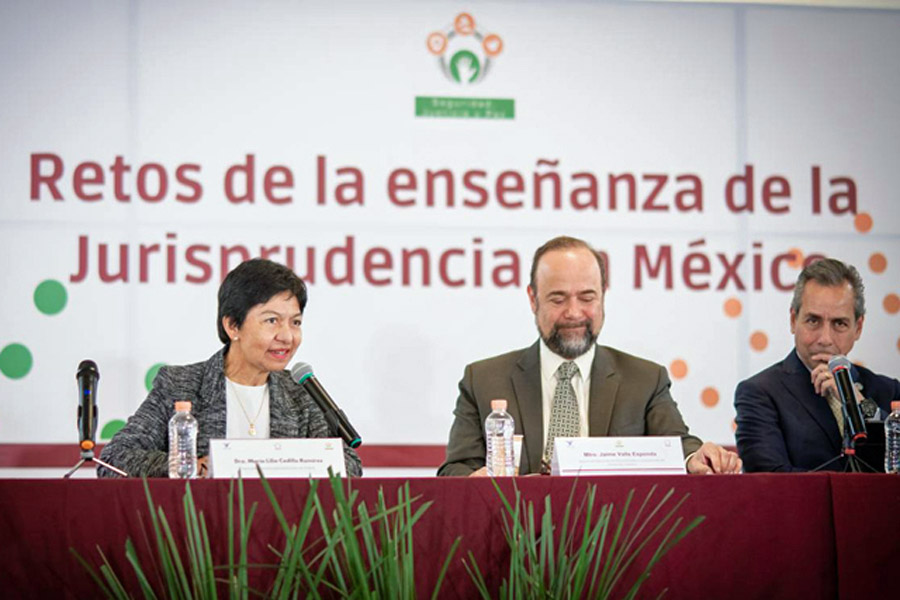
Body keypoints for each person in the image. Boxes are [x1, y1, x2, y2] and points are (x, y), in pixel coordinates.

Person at [437, 236, 741, 476]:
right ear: (533, 298)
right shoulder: (484, 380)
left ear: (603, 295)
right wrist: (478, 481)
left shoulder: (645, 379)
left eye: (587, 297)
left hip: (614, 542)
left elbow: (677, 443)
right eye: (558, 298)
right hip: (516, 543)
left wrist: (695, 458)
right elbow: (455, 470)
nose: (573, 312)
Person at [99, 259, 362, 478]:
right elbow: (115, 459)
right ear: (232, 326)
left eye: (295, 322)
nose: (287, 336)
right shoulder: (180, 385)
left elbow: (350, 465)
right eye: (272, 320)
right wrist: (188, 467)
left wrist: (294, 466)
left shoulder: (301, 394)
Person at [734, 258, 900, 472]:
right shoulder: (760, 393)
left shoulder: (888, 390)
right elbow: (770, 480)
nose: (825, 338)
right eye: (813, 321)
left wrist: (860, 404)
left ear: (858, 328)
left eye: (839, 324)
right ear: (793, 320)